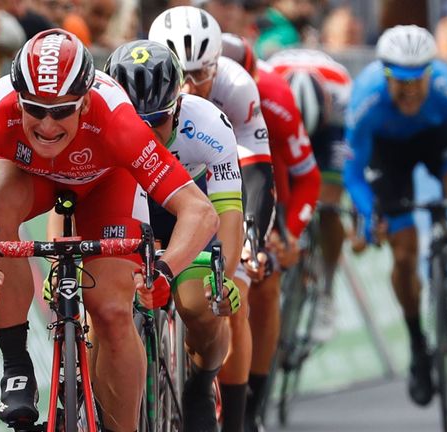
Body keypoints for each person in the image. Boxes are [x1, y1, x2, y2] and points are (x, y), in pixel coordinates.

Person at [0, 29, 219, 432]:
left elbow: (200, 211)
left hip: (105, 182)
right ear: (17, 98)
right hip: (32, 179)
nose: (47, 125)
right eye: (35, 109)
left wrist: (164, 269)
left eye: (62, 111)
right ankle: (16, 366)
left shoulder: (117, 118)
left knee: (112, 310)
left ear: (84, 100)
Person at [344, 25, 447, 407]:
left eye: (418, 81)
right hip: (387, 153)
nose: (410, 91)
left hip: (437, 138)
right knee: (404, 251)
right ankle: (417, 345)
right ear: (385, 75)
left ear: (432, 73)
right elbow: (353, 173)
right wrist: (368, 215)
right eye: (401, 82)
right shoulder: (366, 100)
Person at [105, 39, 243, 432]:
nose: (145, 132)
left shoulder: (208, 124)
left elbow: (228, 211)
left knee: (200, 302)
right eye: (135, 121)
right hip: (126, 210)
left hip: (190, 214)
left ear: (179, 106)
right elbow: (72, 195)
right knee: (105, 306)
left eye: (157, 121)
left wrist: (225, 277)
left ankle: (200, 382)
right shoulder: (96, 118)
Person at [149, 7, 273, 432]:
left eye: (200, 73)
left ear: (218, 65)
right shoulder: (134, 93)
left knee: (229, 298)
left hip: (208, 199)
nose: (187, 85)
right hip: (147, 201)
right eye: (178, 72)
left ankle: (223, 408)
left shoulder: (234, 91)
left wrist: (235, 263)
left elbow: (249, 180)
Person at [220, 33, 321, 432]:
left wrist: (290, 233)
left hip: (261, 179)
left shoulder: (273, 96)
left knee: (264, 282)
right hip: (199, 175)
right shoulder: (184, 90)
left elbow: (307, 177)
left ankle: (254, 404)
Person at [267, 47, 353, 344]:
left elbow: (345, 159)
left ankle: (327, 288)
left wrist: (333, 197)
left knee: (329, 203)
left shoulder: (342, 91)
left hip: (330, 130)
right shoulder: (267, 85)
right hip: (282, 121)